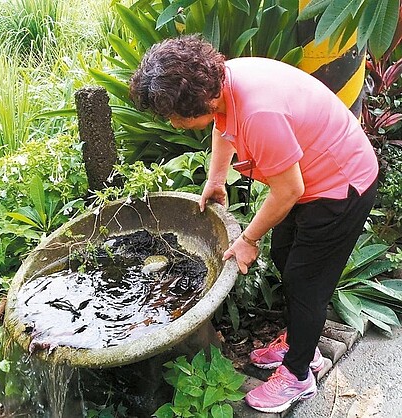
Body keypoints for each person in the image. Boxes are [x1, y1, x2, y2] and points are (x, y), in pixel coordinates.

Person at [129, 35, 378, 413]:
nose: (173, 123)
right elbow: (221, 126)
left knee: (305, 281)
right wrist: (216, 177)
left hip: (341, 186)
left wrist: (247, 238)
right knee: (284, 255)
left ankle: (300, 373)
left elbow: (287, 190)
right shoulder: (224, 83)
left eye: (173, 116)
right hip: (314, 179)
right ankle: (300, 340)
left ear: (202, 100)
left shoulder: (259, 113)